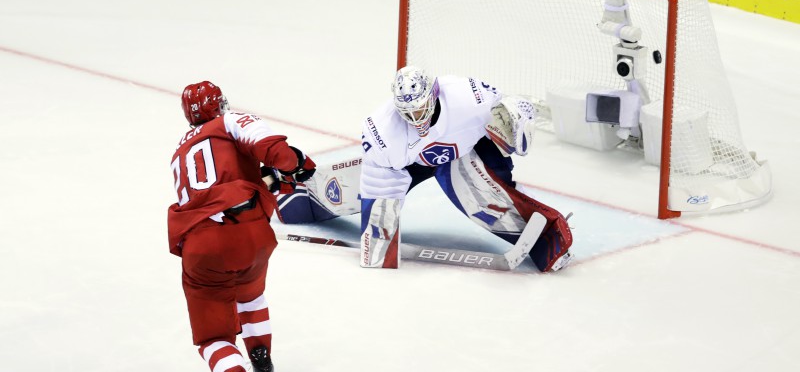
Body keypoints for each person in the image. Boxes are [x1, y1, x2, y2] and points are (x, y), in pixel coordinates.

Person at [358, 66, 573, 271]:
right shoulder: (383, 130)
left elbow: (505, 110)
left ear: (433, 95)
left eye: (420, 108)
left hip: (463, 150)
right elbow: (379, 185)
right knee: (378, 189)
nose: (416, 118)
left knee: (490, 194)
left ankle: (548, 239)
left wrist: (514, 125)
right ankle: (324, 203)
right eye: (408, 112)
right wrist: (378, 245)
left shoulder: (469, 97)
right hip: (409, 164)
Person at [167, 81, 316, 372]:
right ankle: (263, 362)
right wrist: (297, 162)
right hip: (252, 238)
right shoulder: (230, 121)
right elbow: (276, 152)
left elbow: (213, 190)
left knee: (214, 338)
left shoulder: (179, 151)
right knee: (251, 296)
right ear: (219, 104)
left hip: (203, 248)